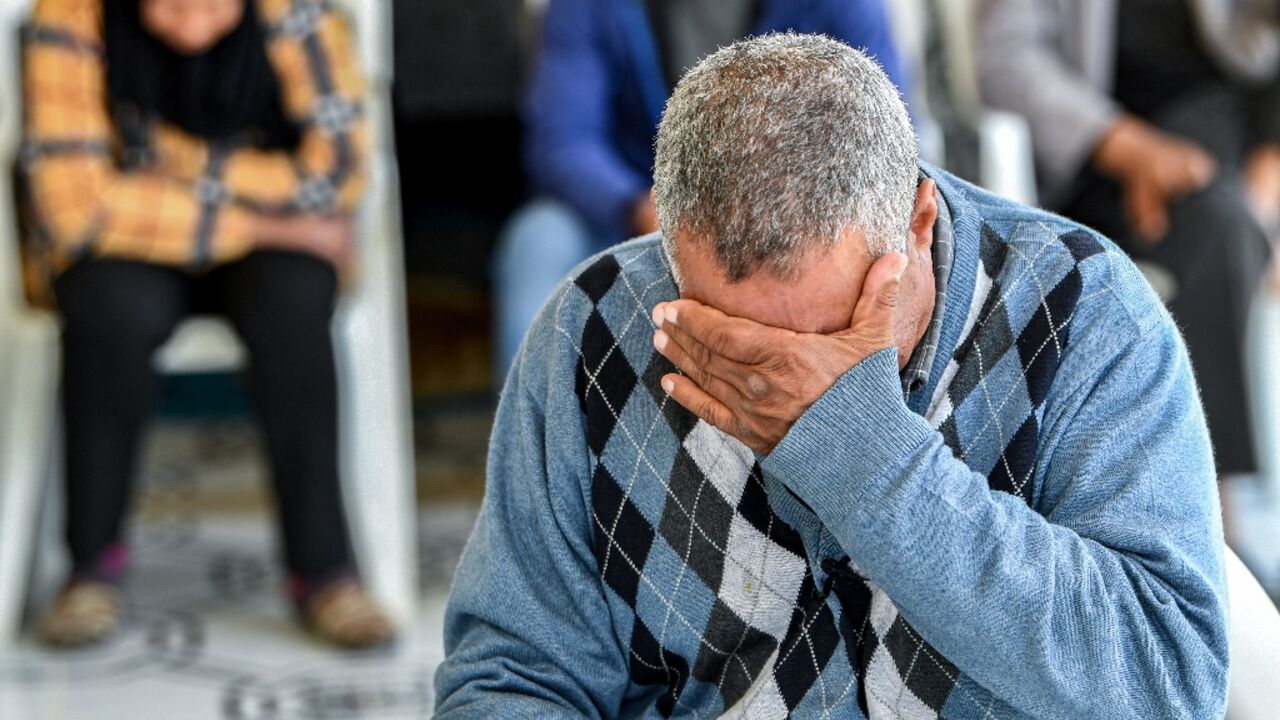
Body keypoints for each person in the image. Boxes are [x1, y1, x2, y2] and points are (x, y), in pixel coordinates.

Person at [435, 34, 1229, 717]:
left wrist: (864, 451)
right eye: (731, 342)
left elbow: (1170, 681)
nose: (774, 382)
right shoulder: (596, 327)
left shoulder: (1087, 312)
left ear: (918, 224)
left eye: (824, 336)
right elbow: (516, 674)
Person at [21, 0, 393, 648]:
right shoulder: (70, 16)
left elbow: (339, 173)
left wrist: (169, 162)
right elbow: (75, 207)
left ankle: (325, 572)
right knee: (107, 308)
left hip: (245, 253)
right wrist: (265, 219)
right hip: (132, 250)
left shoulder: (297, 14)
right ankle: (91, 568)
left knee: (295, 298)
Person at [491, 0, 908, 381]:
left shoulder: (845, 6)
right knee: (538, 241)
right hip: (631, 206)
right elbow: (563, 143)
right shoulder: (589, 7)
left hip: (797, 211)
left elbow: (888, 137)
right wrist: (639, 206)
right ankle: (537, 433)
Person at [977, 0, 1280, 479]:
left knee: (1222, 225)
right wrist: (1127, 147)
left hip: (1233, 150)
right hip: (1098, 160)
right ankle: (1214, 502)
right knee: (1217, 229)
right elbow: (1004, 59)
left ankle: (1206, 502)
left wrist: (1270, 159)